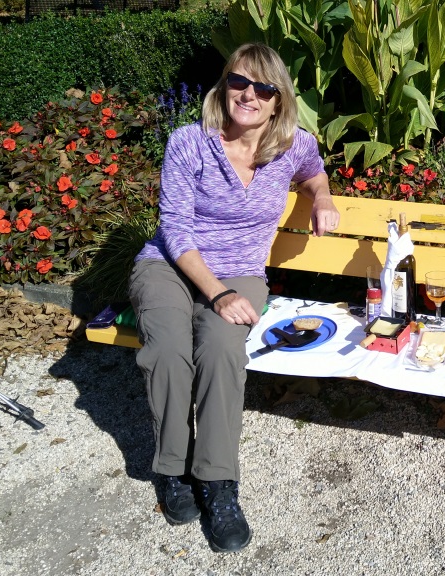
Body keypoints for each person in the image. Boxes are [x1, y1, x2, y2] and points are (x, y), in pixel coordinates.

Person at [128, 43, 340, 553]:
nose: (249, 95)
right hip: (170, 266)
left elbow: (314, 172)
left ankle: (217, 480)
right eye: (239, 82)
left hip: (241, 271)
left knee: (222, 350)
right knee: (168, 350)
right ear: (224, 87)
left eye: (263, 88)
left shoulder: (292, 145)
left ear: (278, 100)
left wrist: (323, 196)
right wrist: (217, 293)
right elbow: (175, 230)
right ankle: (174, 468)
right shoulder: (188, 142)